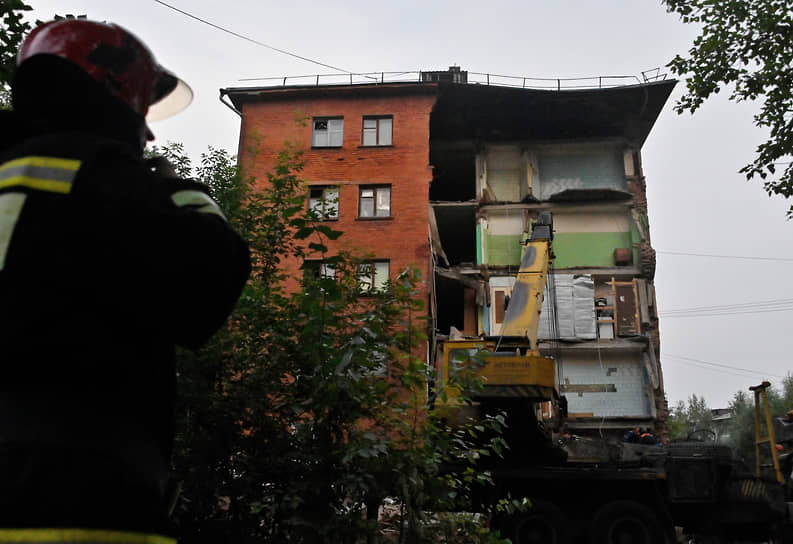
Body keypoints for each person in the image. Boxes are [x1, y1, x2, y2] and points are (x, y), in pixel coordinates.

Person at [0, 19, 250, 542]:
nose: (150, 130)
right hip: (76, 495)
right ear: (118, 95)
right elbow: (210, 285)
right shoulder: (109, 181)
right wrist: (181, 191)